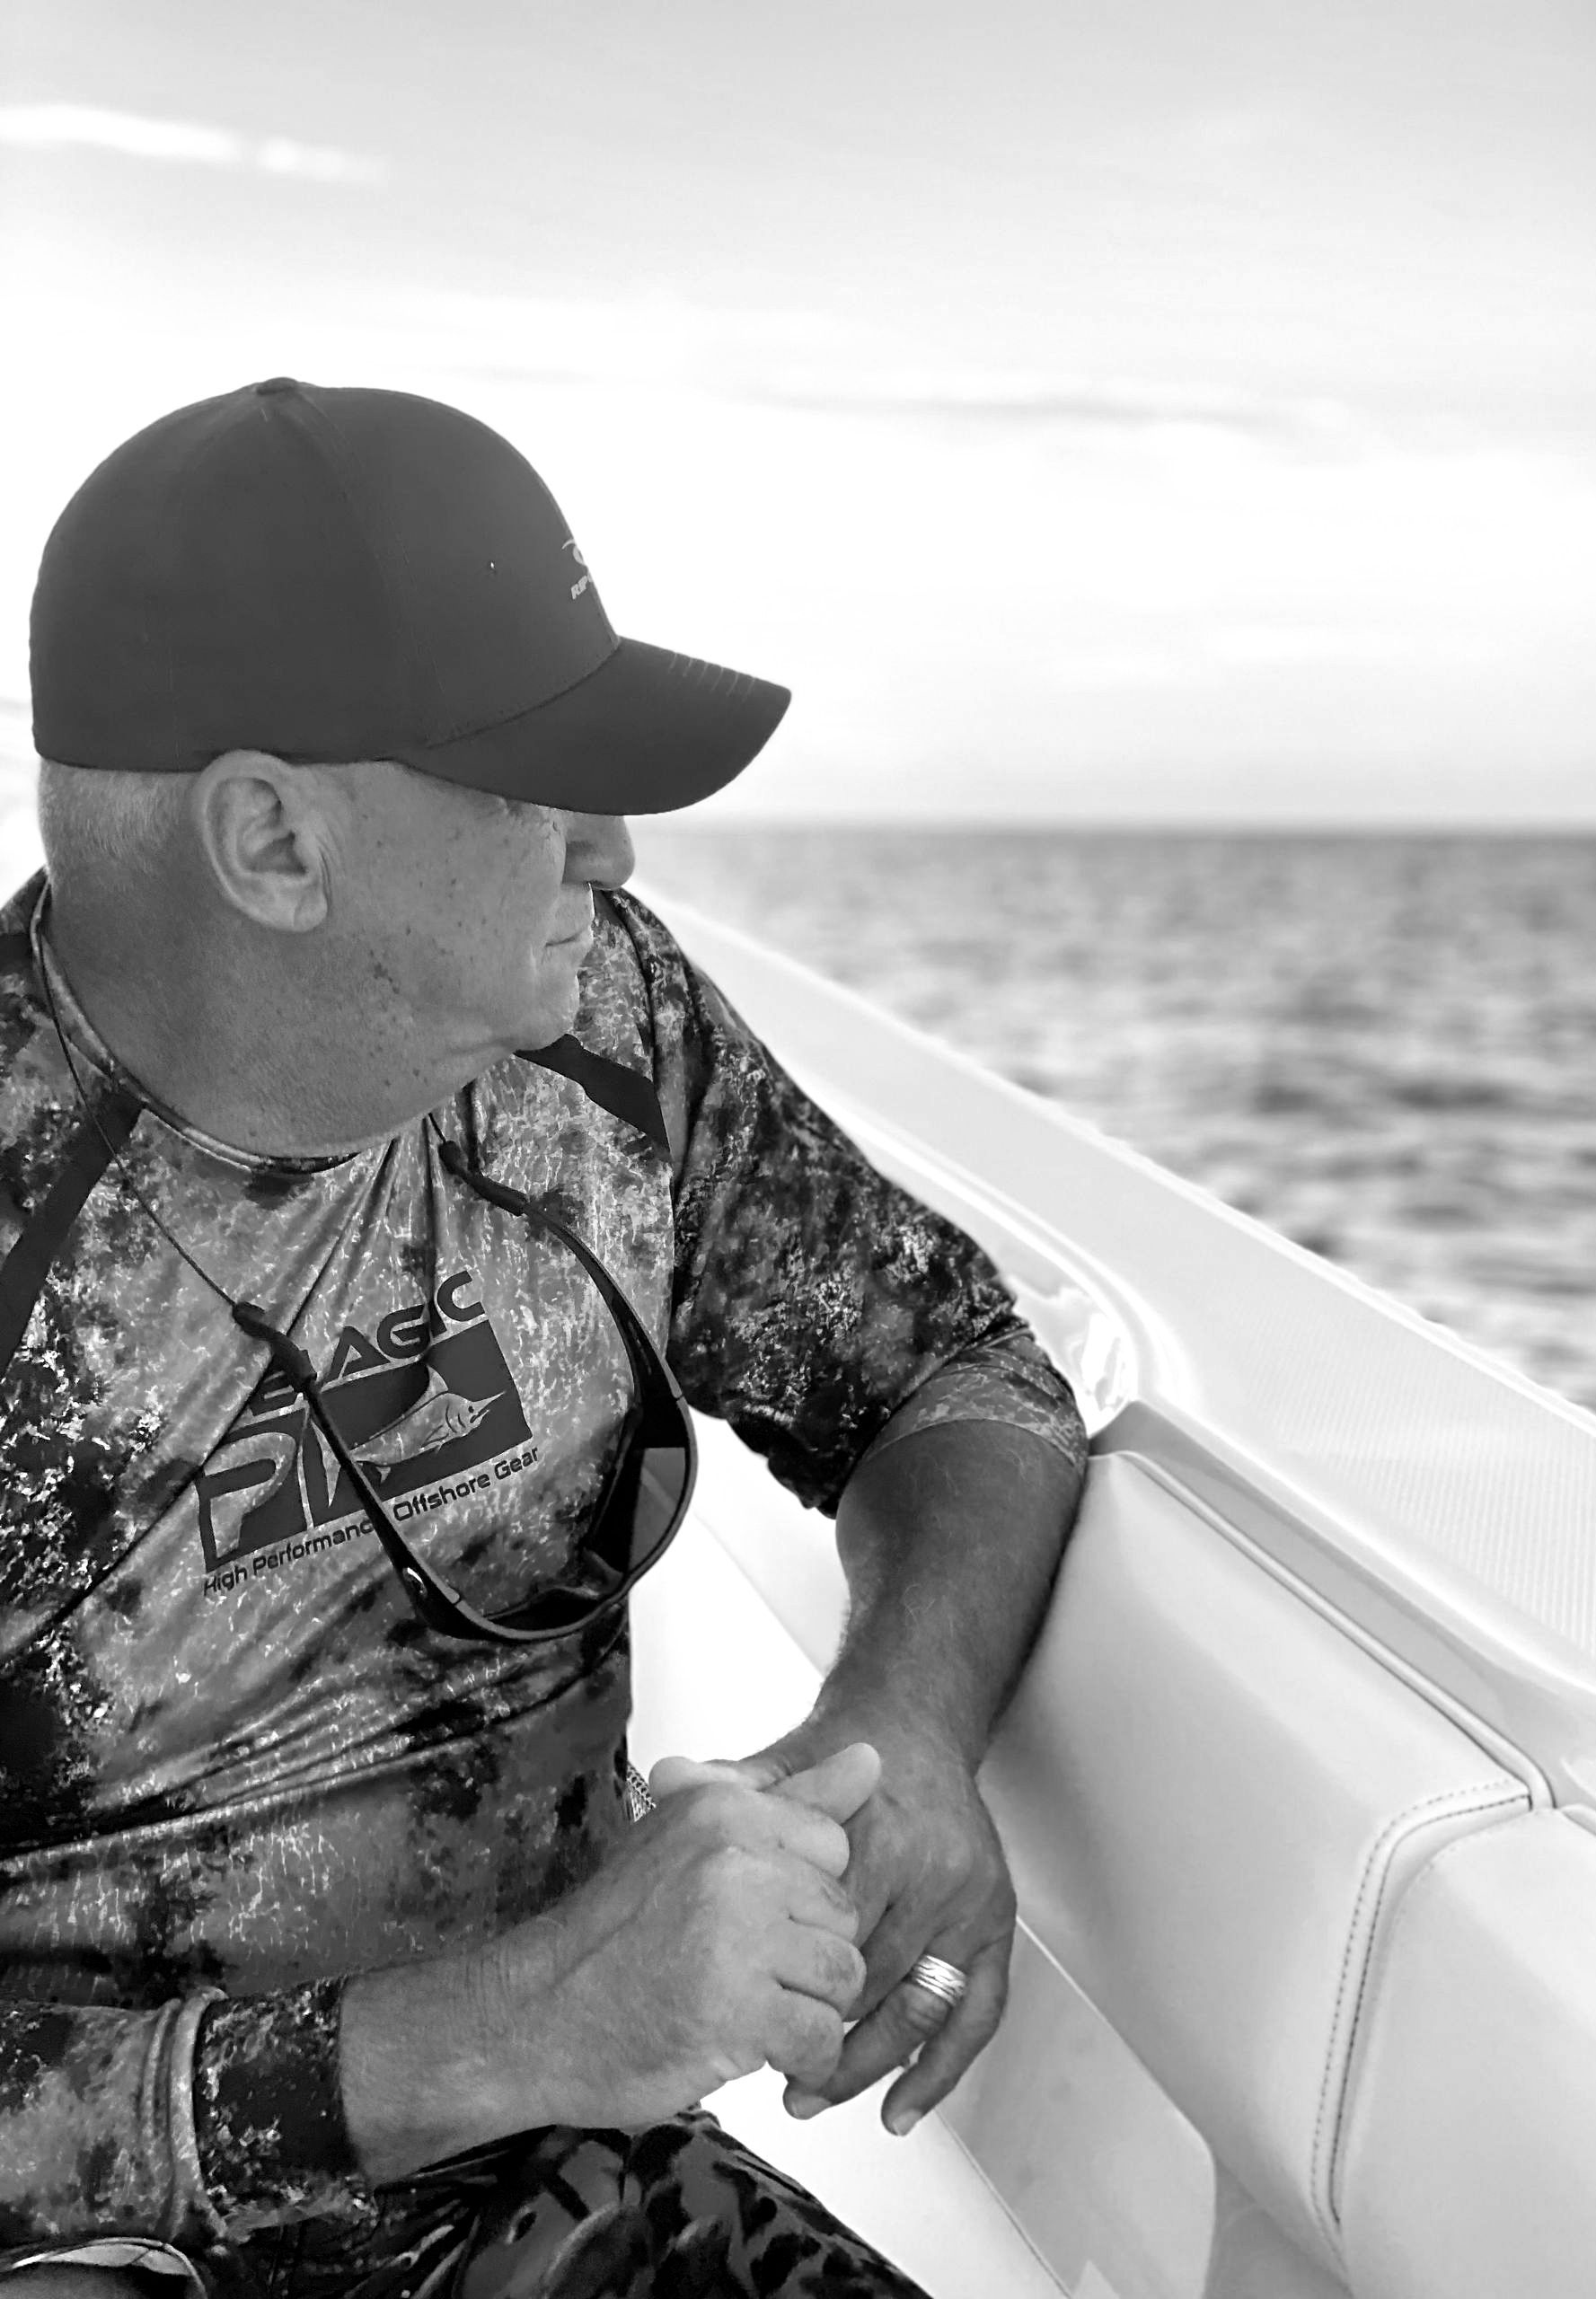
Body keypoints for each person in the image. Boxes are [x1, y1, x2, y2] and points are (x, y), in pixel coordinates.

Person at [0, 380, 1089, 2298]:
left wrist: (902, 1725)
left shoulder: (601, 1039)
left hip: (561, 2197)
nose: (617, 853)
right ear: (272, 840)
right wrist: (504, 2027)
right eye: (535, 780)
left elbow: (951, 1362)